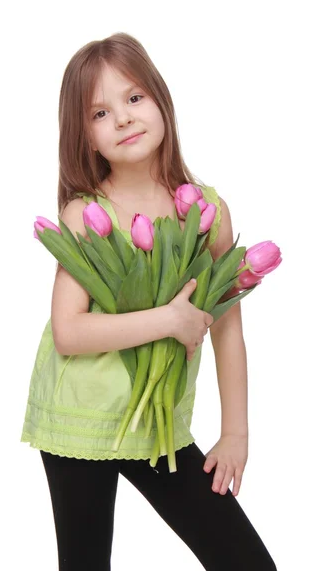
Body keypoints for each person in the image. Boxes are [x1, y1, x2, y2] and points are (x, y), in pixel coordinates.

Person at [20, 32, 277, 570]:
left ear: (161, 100)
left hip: (157, 427)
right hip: (80, 422)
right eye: (99, 112)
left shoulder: (206, 210)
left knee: (247, 562)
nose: (123, 118)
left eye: (134, 98)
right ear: (85, 137)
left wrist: (235, 432)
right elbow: (69, 331)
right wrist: (168, 319)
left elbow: (228, 325)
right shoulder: (86, 215)